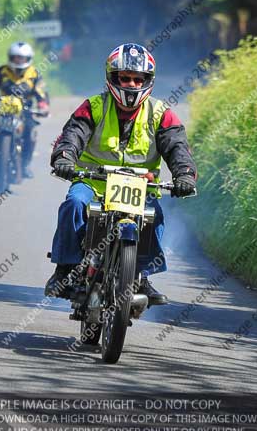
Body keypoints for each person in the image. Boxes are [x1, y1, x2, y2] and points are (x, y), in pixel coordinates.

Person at [45, 42, 196, 305]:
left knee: (156, 215)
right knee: (74, 204)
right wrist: (65, 158)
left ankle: (142, 276)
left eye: (138, 79)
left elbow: (177, 147)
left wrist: (184, 175)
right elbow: (72, 136)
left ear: (148, 81)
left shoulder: (162, 113)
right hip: (92, 182)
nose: (132, 85)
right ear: (112, 78)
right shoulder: (92, 106)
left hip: (141, 187)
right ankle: (65, 268)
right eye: (125, 78)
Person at [0, 41, 49, 178]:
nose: (18, 60)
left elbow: (41, 93)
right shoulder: (2, 71)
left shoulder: (34, 74)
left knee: (31, 133)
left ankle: (24, 166)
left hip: (25, 112)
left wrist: (43, 105)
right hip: (2, 110)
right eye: (15, 57)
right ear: (10, 57)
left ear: (28, 58)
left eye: (21, 58)